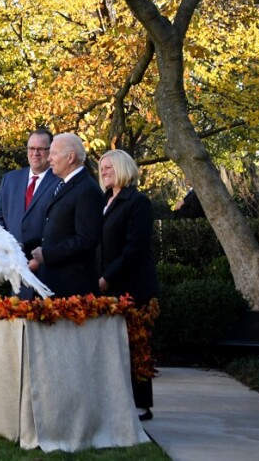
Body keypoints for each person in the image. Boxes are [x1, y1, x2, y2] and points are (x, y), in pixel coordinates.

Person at [96, 149, 160, 421]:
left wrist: (107, 277)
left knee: (136, 346)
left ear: (123, 168)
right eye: (101, 168)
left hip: (134, 287)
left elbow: (134, 248)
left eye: (108, 167)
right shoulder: (105, 201)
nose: (103, 172)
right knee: (114, 349)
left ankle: (141, 405)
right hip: (108, 286)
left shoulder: (137, 202)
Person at [30, 133, 103, 297]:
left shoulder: (87, 190)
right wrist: (19, 245)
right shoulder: (64, 185)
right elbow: (54, 230)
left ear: (70, 157)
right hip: (54, 282)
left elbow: (86, 240)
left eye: (54, 153)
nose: (49, 159)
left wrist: (47, 255)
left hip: (72, 288)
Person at [0, 128, 61, 297]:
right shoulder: (10, 179)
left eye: (41, 149)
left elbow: (61, 226)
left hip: (49, 271)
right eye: (31, 148)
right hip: (17, 273)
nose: (35, 153)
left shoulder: (61, 181)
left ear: (50, 152)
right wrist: (9, 251)